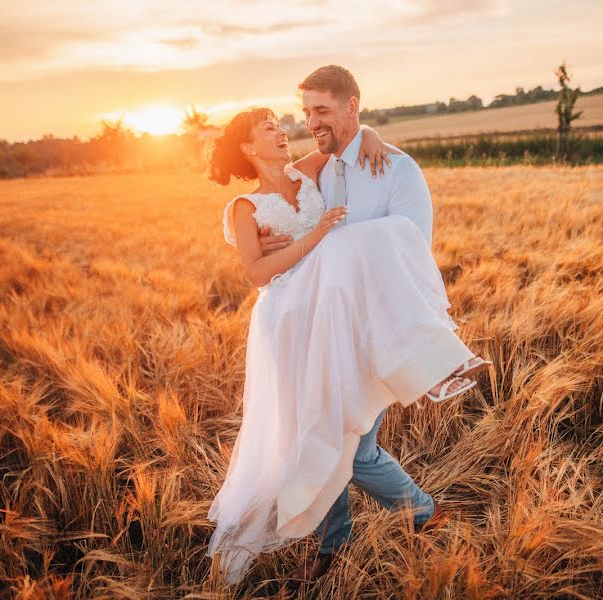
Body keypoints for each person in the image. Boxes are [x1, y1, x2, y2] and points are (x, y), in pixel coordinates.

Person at [205, 67, 491, 587]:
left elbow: (354, 147)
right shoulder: (248, 205)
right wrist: (310, 238)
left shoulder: (311, 171)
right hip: (292, 324)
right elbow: (255, 272)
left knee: (348, 439)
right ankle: (338, 539)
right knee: (319, 425)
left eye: (284, 119)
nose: (288, 126)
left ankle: (419, 514)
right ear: (247, 148)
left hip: (349, 320)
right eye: (270, 124)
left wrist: (373, 135)